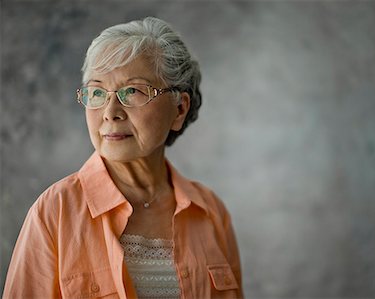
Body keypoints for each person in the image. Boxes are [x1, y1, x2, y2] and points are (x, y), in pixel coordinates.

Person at [3, 17, 243, 299]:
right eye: (97, 92)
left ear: (179, 109)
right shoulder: (53, 212)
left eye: (133, 91)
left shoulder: (211, 212)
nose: (110, 111)